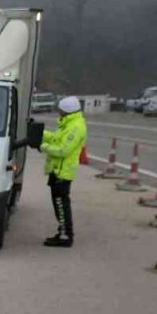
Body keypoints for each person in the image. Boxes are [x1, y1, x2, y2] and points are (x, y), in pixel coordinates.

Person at [40, 95, 87, 247]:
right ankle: (63, 232)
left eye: (60, 110)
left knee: (61, 205)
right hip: (57, 171)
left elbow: (62, 150)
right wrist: (40, 133)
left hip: (62, 173)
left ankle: (66, 235)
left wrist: (43, 147)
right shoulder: (68, 124)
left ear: (66, 111)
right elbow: (56, 138)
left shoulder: (75, 127)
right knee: (59, 204)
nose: (58, 112)